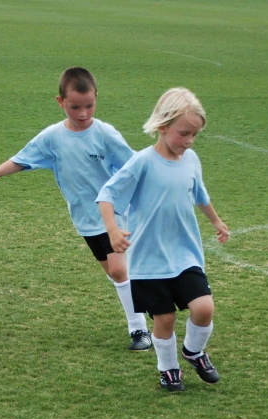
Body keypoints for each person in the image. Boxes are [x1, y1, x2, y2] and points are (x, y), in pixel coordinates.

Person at [0, 67, 151, 351]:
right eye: (75, 107)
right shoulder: (52, 137)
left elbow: (133, 166)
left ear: (96, 98)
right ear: (60, 102)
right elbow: (24, 158)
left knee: (119, 270)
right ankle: (147, 306)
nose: (83, 113)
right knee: (115, 273)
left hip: (114, 214)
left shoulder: (105, 134)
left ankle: (139, 330)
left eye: (89, 106)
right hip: (85, 219)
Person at [97, 87, 230, 392]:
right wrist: (113, 231)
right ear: (162, 126)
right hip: (149, 260)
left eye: (195, 135)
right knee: (165, 318)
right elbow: (107, 196)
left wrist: (216, 220)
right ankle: (168, 369)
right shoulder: (142, 162)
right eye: (184, 133)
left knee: (204, 308)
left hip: (185, 254)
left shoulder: (192, 159)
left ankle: (194, 352)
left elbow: (200, 194)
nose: (189, 141)